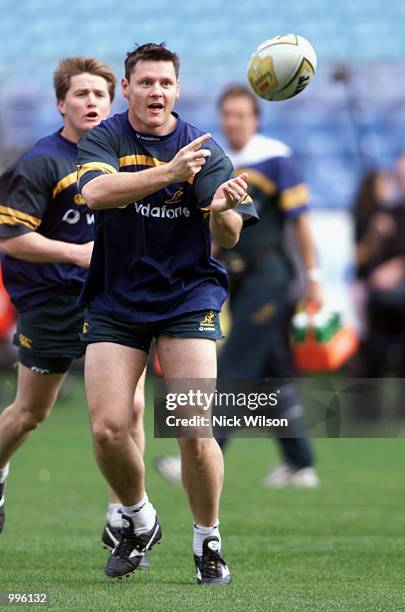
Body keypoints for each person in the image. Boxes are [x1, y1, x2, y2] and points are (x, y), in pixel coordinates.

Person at [77, 43, 258, 585]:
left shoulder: (203, 148)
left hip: (186, 297)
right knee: (109, 429)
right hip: (116, 298)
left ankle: (208, 541)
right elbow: (96, 193)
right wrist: (168, 173)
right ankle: (139, 516)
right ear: (127, 89)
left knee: (192, 429)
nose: (156, 91)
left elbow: (226, 234)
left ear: (178, 90)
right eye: (146, 82)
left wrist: (223, 211)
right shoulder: (106, 137)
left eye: (165, 83)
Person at [0, 57, 147, 566]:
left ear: (114, 101)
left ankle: (124, 519)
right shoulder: (42, 162)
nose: (91, 103)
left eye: (99, 95)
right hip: (51, 301)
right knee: (29, 414)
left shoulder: (124, 156)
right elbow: (12, 239)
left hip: (111, 299)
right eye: (80, 94)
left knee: (128, 411)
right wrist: (74, 252)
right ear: (60, 103)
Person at [155, 84, 323, 488]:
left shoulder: (276, 158)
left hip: (270, 277)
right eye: (226, 114)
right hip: (238, 278)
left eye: (240, 114)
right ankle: (300, 463)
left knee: (234, 366)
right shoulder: (218, 160)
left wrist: (313, 278)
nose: (232, 121)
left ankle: (196, 458)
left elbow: (300, 222)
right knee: (272, 374)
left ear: (255, 119)